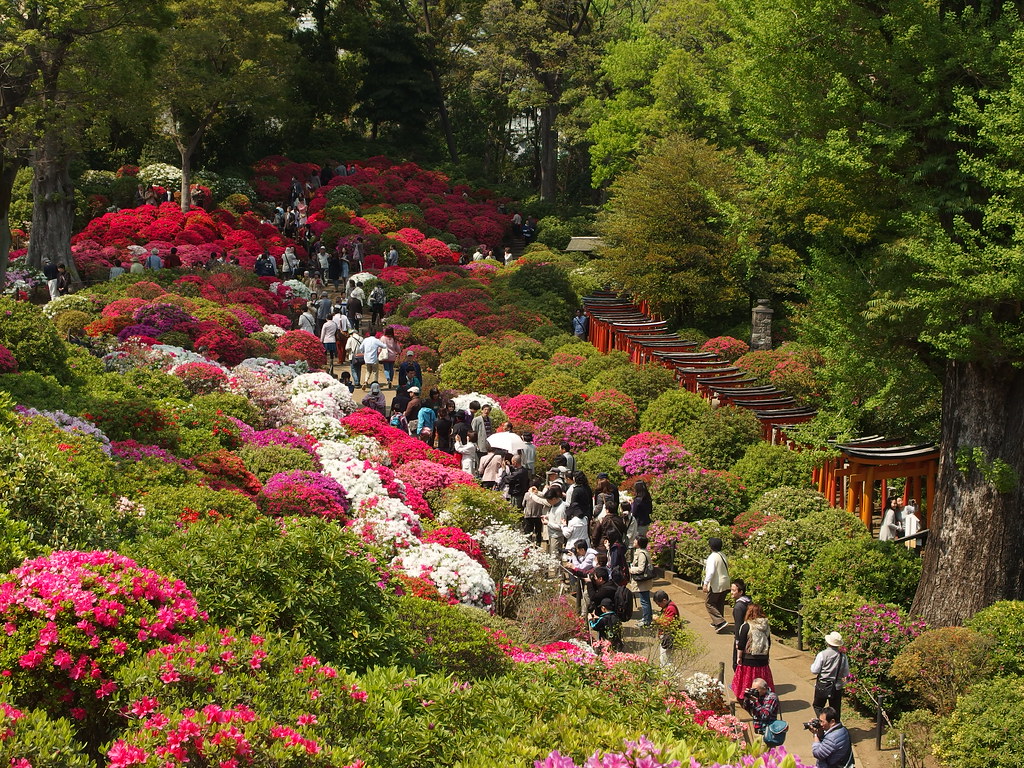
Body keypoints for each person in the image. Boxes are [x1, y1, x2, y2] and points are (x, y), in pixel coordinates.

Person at [731, 603, 774, 699]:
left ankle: (745, 698)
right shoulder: (766, 626)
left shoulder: (746, 626)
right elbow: (769, 642)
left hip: (749, 659)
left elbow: (741, 644)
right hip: (763, 659)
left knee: (747, 681)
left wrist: (739, 657)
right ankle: (763, 698)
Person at [811, 632, 850, 719]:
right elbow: (846, 673)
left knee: (818, 706)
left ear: (828, 643)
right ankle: (835, 726)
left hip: (822, 685)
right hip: (836, 687)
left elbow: (814, 670)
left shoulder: (822, 654)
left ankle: (823, 722)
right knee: (835, 710)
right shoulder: (843, 656)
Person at [703, 537, 731, 632]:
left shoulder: (712, 557)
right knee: (720, 602)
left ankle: (720, 622)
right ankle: (717, 622)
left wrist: (705, 583)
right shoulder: (723, 555)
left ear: (711, 546)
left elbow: (710, 572)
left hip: (717, 584)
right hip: (726, 582)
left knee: (709, 603)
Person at [629, 535, 655, 627]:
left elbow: (640, 569)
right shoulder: (642, 552)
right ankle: (647, 618)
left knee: (644, 601)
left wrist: (631, 570)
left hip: (643, 581)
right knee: (645, 600)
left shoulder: (641, 554)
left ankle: (647, 620)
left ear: (639, 543)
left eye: (636, 540)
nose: (634, 541)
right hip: (644, 581)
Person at [653, 590, 681, 668]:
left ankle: (666, 675)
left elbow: (667, 623)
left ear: (664, 600)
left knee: (666, 658)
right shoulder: (667, 606)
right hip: (666, 635)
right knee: (664, 657)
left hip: (669, 636)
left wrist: (657, 619)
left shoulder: (671, 608)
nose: (658, 606)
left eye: (659, 604)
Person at [731, 579, 753, 670]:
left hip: (742, 637)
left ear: (741, 592)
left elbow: (738, 626)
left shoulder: (738, 607)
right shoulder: (749, 601)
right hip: (750, 635)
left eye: (734, 590)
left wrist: (738, 641)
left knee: (737, 663)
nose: (731, 593)